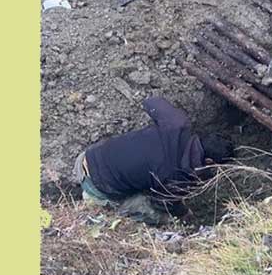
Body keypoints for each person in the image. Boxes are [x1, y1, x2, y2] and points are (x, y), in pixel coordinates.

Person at [72, 96, 234, 225]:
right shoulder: (179, 177)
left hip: (88, 156)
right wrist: (184, 213)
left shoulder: (177, 124)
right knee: (161, 217)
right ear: (210, 161)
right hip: (97, 188)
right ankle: (95, 201)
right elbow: (164, 203)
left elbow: (152, 102)